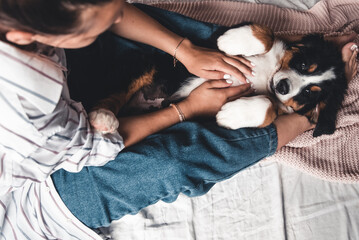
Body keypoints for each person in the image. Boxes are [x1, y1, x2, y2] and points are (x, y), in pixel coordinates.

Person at [0, 0, 357, 239]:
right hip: (38, 197)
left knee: (139, 32)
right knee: (167, 163)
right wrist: (188, 109)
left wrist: (183, 50)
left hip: (59, 96)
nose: (114, 12)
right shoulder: (26, 107)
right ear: (23, 36)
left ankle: (297, 53)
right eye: (92, 26)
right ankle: (306, 116)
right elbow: (95, 149)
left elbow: (118, 13)